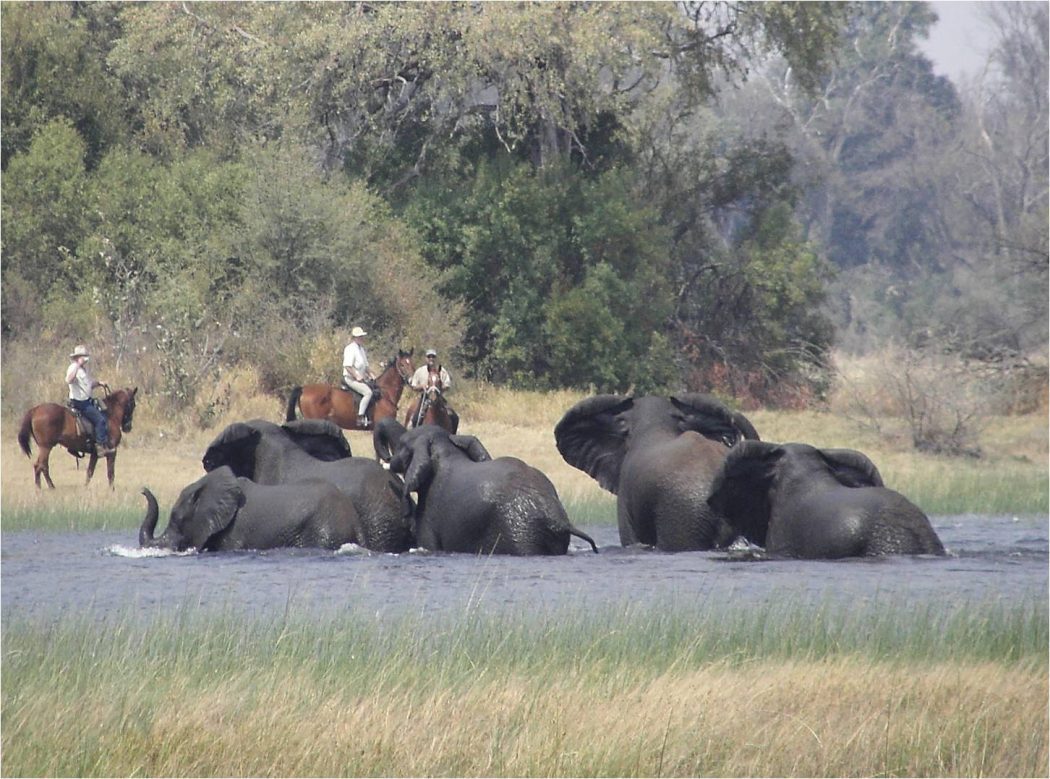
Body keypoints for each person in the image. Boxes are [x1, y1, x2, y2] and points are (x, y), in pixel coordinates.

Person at [65, 344, 114, 455]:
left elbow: (89, 384)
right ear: (78, 357)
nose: (85, 359)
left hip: (86, 400)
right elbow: (69, 380)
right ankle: (100, 446)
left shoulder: (84, 370)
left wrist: (100, 383)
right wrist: (77, 365)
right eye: (83, 357)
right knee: (100, 420)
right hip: (79, 402)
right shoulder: (73, 367)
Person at [342, 326, 376, 427]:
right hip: (351, 378)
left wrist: (372, 374)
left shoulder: (361, 349)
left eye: (362, 336)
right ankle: (360, 417)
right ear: (355, 338)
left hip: (361, 378)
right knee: (368, 393)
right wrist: (356, 376)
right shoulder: (350, 349)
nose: (362, 338)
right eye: (359, 337)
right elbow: (347, 366)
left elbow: (366, 366)